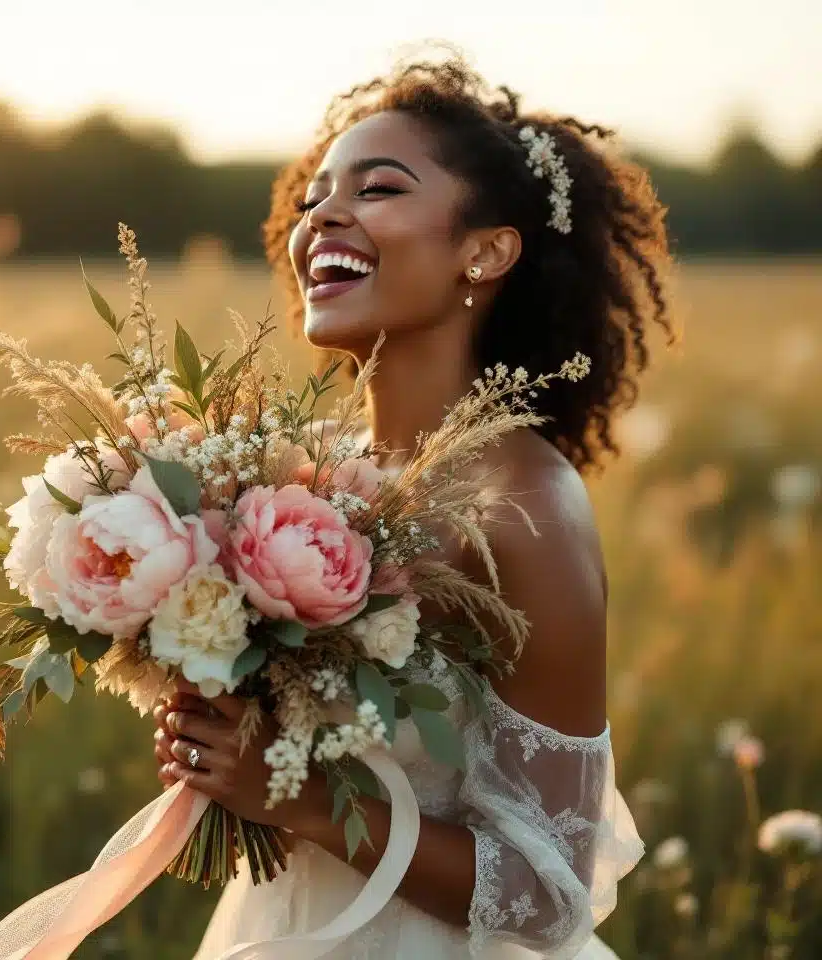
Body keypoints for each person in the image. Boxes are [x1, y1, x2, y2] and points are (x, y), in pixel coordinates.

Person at [152, 50, 674, 959]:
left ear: (486, 249)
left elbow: (547, 899)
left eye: (378, 188)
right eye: (313, 196)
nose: (324, 216)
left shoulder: (525, 500)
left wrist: (296, 799)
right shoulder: (302, 479)